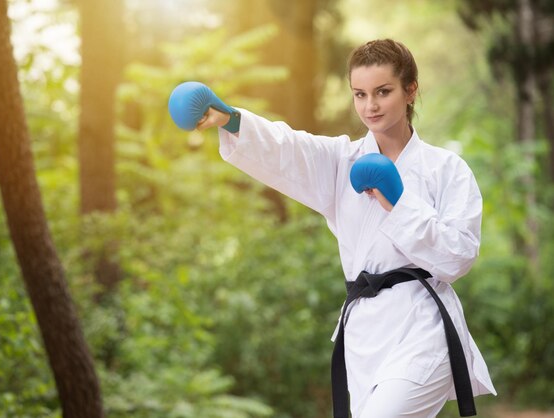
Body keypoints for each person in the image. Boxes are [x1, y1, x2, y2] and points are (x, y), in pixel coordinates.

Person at [170, 39, 496, 418]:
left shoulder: (447, 169)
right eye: (360, 94)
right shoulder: (342, 161)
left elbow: (458, 256)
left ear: (411, 90)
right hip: (364, 335)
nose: (370, 105)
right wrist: (231, 119)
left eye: (383, 92)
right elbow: (289, 149)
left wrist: (398, 203)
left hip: (424, 328)